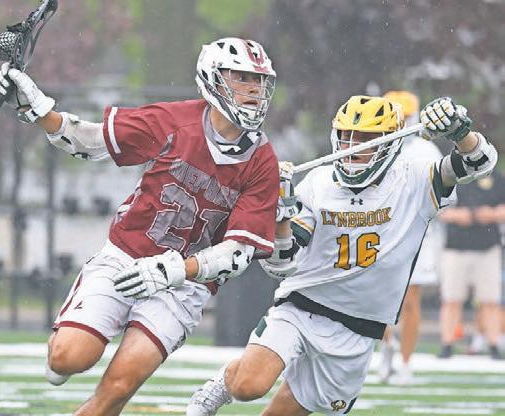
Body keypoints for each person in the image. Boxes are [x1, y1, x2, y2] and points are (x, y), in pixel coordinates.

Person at [0, 37, 280, 416]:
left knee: (117, 388)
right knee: (68, 357)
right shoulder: (174, 121)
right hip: (126, 256)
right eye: (242, 78)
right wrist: (37, 109)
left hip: (184, 285)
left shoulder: (263, 163)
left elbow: (238, 254)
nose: (254, 90)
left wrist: (178, 270)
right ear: (213, 77)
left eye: (259, 81)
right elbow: (91, 141)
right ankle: (63, 354)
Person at [185, 95, 498, 416]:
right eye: (347, 136)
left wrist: (460, 132)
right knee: (247, 386)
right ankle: (219, 386)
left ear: (390, 143)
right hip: (303, 305)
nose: (353, 146)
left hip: (360, 326)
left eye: (365, 138)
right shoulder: (318, 183)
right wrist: (280, 219)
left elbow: (479, 163)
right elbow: (281, 265)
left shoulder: (415, 178)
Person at [377, 91, 445, 384]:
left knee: (410, 301)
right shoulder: (375, 146)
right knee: (379, 298)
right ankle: (386, 348)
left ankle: (405, 363)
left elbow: (442, 196)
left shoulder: (426, 150)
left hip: (417, 233)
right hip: (382, 231)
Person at [437, 169, 505, 360]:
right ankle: (447, 344)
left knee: (490, 300)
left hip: (488, 247)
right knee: (451, 299)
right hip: (456, 247)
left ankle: (493, 344)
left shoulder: (496, 177)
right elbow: (437, 209)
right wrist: (459, 215)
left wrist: (490, 214)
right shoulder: (452, 176)